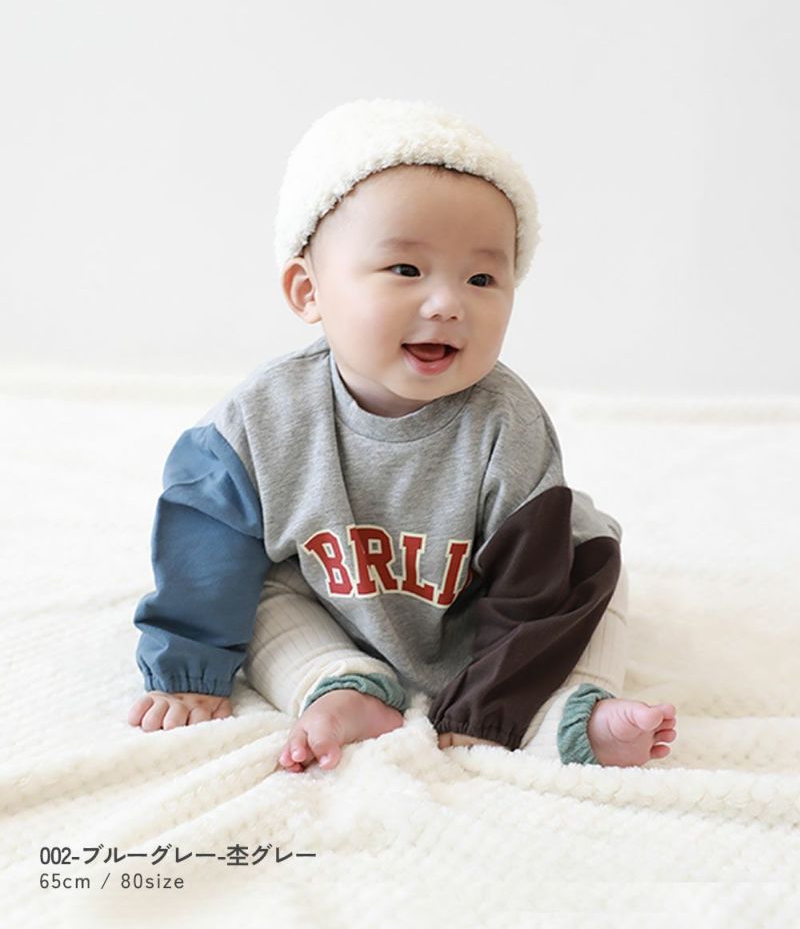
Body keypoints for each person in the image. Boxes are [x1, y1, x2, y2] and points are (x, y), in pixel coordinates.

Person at [128, 98, 677, 772]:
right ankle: (342, 685)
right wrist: (189, 663)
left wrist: (490, 709)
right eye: (407, 270)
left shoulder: (507, 424)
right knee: (260, 592)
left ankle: (572, 706)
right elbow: (203, 550)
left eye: (481, 278)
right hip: (337, 600)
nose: (447, 303)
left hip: (491, 615)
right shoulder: (263, 419)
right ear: (308, 291)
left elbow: (532, 591)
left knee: (591, 573)